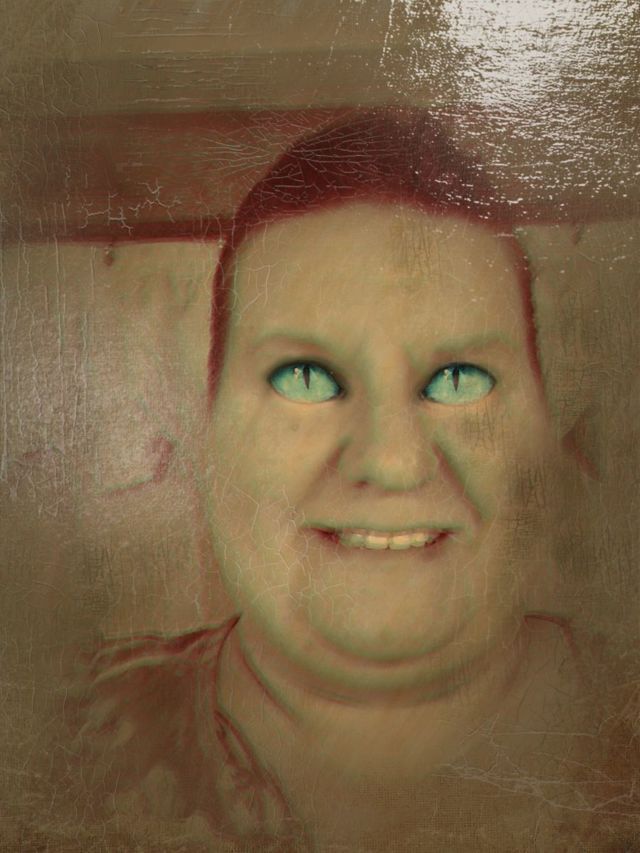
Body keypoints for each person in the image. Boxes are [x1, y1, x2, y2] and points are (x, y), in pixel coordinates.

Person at [76, 110, 617, 851]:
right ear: (209, 427)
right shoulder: (49, 739)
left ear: (546, 428)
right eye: (306, 376)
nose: (391, 462)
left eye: (459, 378)